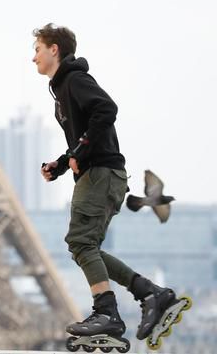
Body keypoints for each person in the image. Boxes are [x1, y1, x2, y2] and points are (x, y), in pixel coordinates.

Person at [34, 23, 189, 346]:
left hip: (101, 174)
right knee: (86, 247)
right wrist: (62, 164)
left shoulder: (75, 80)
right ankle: (152, 294)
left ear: (54, 50)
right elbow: (85, 136)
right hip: (101, 174)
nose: (32, 58)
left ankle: (107, 314)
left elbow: (107, 109)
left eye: (37, 49)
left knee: (80, 243)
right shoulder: (62, 89)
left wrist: (80, 151)